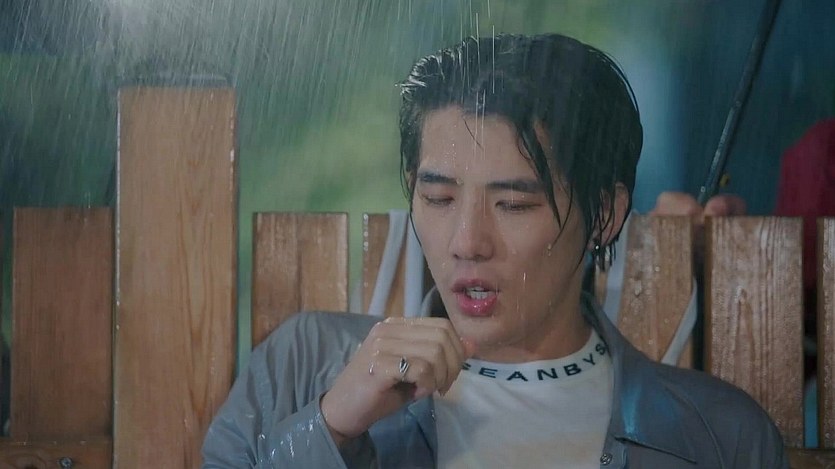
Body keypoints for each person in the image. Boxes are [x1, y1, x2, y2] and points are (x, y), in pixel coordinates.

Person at [202, 33, 786, 468]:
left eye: (514, 205)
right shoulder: (307, 363)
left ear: (605, 214)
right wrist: (330, 427)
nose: (466, 243)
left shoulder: (719, 434)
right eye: (438, 197)